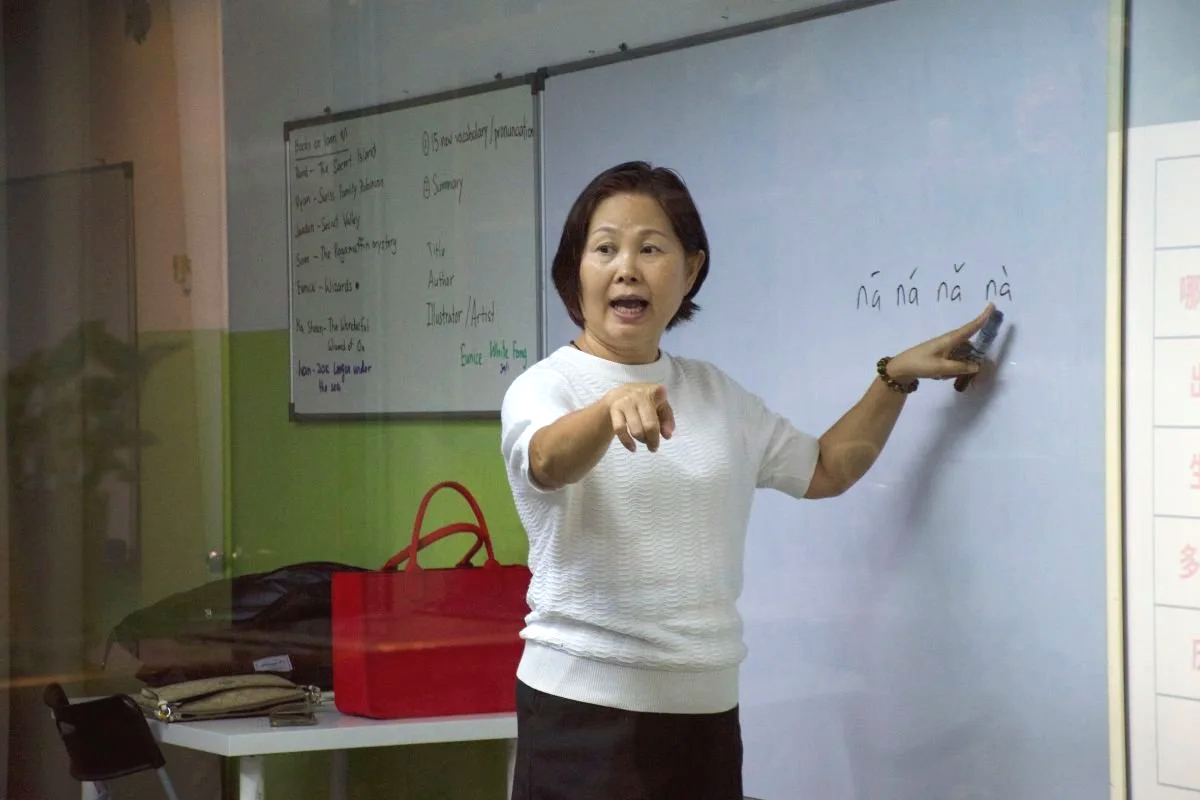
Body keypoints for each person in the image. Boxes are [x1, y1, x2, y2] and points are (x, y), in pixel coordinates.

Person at [499, 160, 994, 800]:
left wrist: (894, 376)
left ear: (690, 270)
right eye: (605, 249)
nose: (627, 267)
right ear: (577, 271)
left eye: (651, 248)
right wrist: (605, 413)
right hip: (582, 715)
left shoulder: (716, 394)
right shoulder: (546, 387)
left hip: (706, 717)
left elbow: (823, 468)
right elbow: (544, 461)